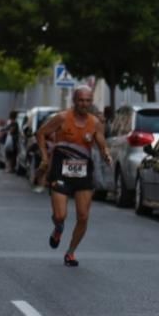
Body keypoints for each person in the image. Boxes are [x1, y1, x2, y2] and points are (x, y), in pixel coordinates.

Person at [36, 86, 112, 267]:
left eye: (87, 101)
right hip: (61, 170)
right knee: (60, 215)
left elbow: (101, 142)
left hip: (83, 173)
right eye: (81, 100)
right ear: (74, 101)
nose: (84, 104)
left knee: (83, 216)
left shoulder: (94, 123)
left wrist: (106, 154)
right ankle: (58, 228)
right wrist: (45, 157)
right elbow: (41, 133)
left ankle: (70, 252)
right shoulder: (62, 118)